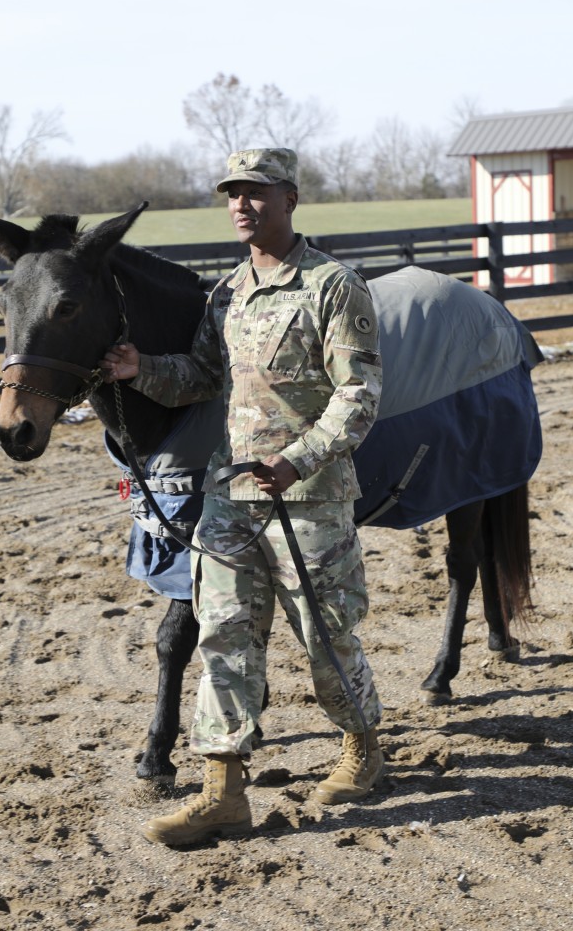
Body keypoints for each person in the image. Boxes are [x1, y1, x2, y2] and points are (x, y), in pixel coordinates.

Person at [100, 148, 384, 846]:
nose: (241, 204)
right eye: (233, 193)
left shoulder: (333, 286)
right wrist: (142, 370)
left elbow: (360, 394)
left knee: (325, 634)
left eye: (256, 192)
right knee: (222, 637)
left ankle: (362, 746)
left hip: (309, 500)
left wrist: (298, 460)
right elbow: (200, 377)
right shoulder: (225, 293)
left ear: (289, 198)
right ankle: (223, 790)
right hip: (228, 501)